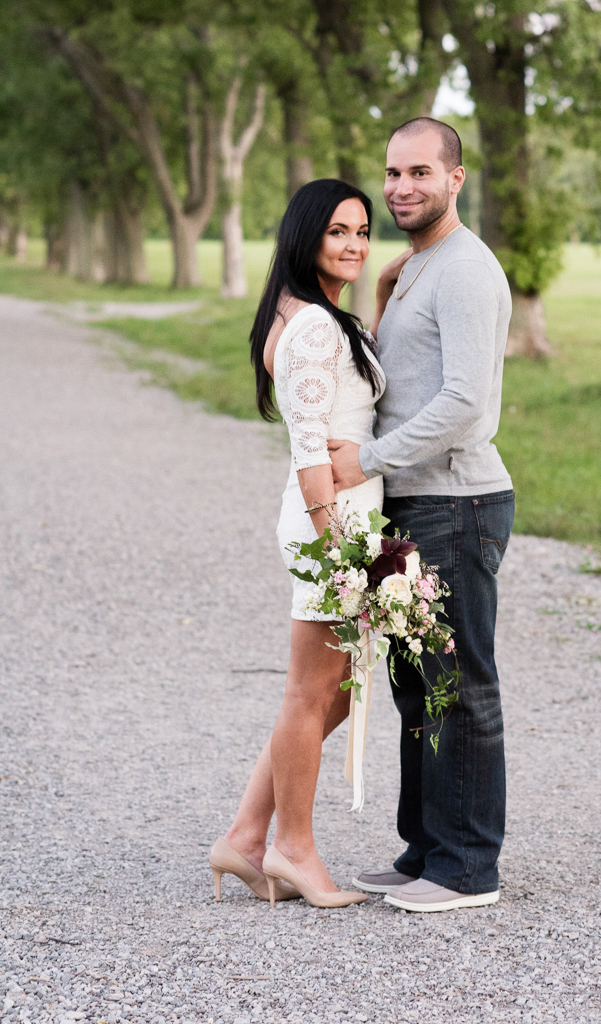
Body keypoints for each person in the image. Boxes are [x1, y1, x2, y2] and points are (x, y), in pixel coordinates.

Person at [327, 117, 515, 915]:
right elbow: (390, 379)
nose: (402, 187)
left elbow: (467, 406)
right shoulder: (416, 270)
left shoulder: (466, 271)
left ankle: (468, 867)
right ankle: (426, 851)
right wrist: (379, 295)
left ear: (455, 179)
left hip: (458, 501)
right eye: (392, 173)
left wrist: (362, 462)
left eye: (419, 173)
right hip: (413, 501)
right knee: (415, 686)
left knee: (459, 686)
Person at [208, 180, 383, 911]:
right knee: (313, 694)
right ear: (306, 235)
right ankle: (293, 848)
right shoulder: (312, 327)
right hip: (328, 528)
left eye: (363, 232)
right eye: (338, 231)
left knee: (327, 696)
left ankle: (248, 837)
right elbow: (311, 448)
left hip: (338, 526)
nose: (354, 245)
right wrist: (335, 554)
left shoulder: (311, 315)